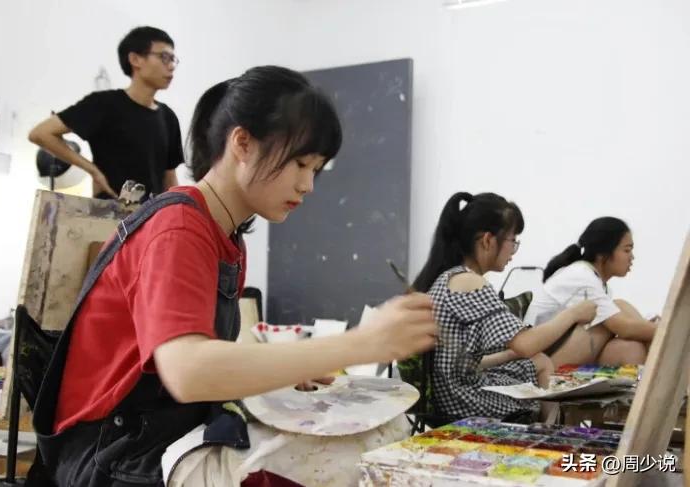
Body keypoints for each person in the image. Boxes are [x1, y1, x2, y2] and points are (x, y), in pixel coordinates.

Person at [29, 66, 438, 487]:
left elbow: (208, 355)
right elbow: (188, 372)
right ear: (242, 142)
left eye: (316, 169)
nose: (308, 185)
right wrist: (362, 343)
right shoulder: (178, 228)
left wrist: (286, 369)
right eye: (300, 163)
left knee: (383, 436)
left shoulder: (224, 233)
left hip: (160, 435)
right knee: (356, 464)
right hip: (113, 456)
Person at [412, 192, 596, 422]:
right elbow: (526, 344)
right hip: (462, 400)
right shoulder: (468, 282)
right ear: (488, 241)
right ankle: (548, 434)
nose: (513, 250)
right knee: (538, 374)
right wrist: (573, 313)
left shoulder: (449, 277)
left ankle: (549, 431)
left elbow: (461, 362)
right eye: (513, 241)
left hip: (450, 393)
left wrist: (509, 354)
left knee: (539, 361)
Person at [28, 26, 183, 199]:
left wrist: (177, 208)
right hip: (109, 210)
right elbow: (40, 133)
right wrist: (92, 170)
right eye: (164, 57)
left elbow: (170, 177)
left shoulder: (168, 117)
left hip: (153, 213)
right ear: (135, 59)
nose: (171, 66)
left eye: (173, 59)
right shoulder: (104, 104)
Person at [525, 217, 657, 367]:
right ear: (602, 253)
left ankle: (652, 374)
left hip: (556, 350)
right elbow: (624, 327)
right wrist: (665, 330)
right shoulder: (582, 275)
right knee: (620, 307)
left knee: (630, 348)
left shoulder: (596, 282)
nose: (632, 257)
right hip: (541, 360)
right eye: (627, 250)